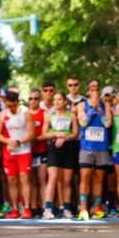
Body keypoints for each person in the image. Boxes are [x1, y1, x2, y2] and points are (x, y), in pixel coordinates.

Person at [73, 81, 112, 220]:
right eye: (92, 90)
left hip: (101, 146)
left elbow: (108, 123)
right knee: (85, 175)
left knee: (99, 177)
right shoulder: (82, 105)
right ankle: (83, 206)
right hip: (86, 147)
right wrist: (92, 109)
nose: (95, 92)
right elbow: (82, 122)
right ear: (88, 91)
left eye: (97, 90)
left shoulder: (106, 105)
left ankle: (96, 206)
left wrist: (100, 110)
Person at [0, 88, 37, 218]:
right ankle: (15, 208)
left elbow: (32, 133)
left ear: (18, 102)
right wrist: (7, 141)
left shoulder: (26, 113)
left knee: (24, 179)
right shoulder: (2, 115)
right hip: (9, 152)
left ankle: (27, 208)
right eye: (9, 105)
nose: (12, 108)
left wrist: (18, 142)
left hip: (23, 150)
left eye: (14, 105)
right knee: (11, 180)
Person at [41, 91, 76, 219]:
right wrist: (56, 135)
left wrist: (65, 137)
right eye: (55, 100)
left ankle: (66, 209)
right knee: (53, 177)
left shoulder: (71, 115)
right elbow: (44, 133)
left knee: (67, 180)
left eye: (59, 99)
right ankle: (47, 208)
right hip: (53, 147)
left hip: (68, 147)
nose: (56, 102)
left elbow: (75, 133)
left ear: (65, 101)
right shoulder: (49, 115)